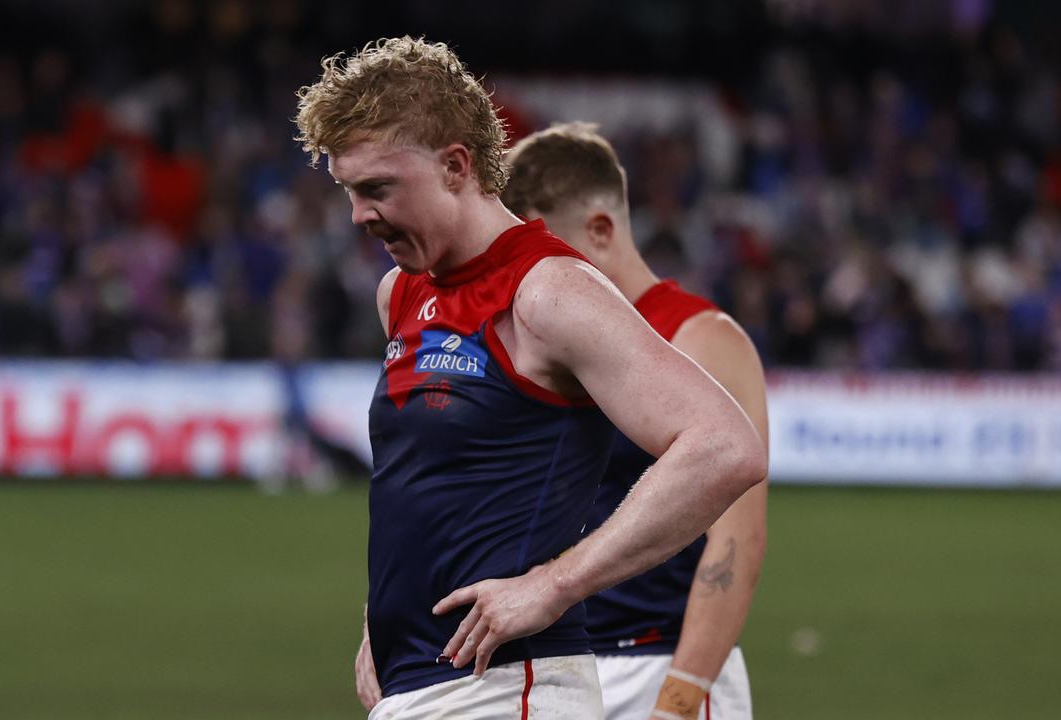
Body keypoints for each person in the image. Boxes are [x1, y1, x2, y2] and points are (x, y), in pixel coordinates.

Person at [294, 38, 766, 719]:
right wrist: (382, 617)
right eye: (348, 192)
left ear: (456, 165)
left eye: (376, 189)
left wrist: (553, 585)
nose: (359, 216)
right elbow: (425, 483)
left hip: (504, 690)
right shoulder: (400, 292)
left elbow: (724, 445)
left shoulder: (548, 292)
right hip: (422, 688)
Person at [503, 122, 769, 720]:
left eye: (537, 243)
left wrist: (677, 701)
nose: (524, 267)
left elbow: (736, 543)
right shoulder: (535, 340)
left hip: (658, 666)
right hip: (550, 667)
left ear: (600, 229)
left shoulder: (700, 338)